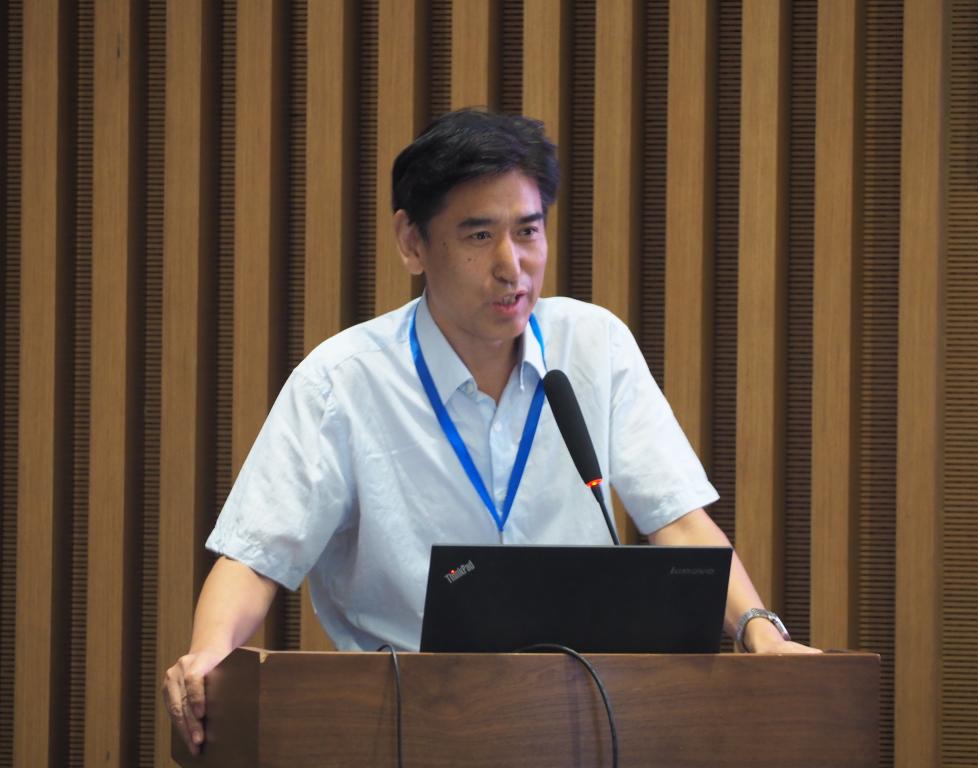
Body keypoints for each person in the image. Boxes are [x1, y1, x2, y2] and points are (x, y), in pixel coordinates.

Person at [163, 108, 819, 755]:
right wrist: (206, 657)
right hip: (405, 726)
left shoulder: (595, 346)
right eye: (479, 235)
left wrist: (758, 629)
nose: (513, 266)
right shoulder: (342, 382)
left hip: (584, 722)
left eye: (528, 231)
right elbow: (256, 557)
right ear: (412, 242)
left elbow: (677, 518)